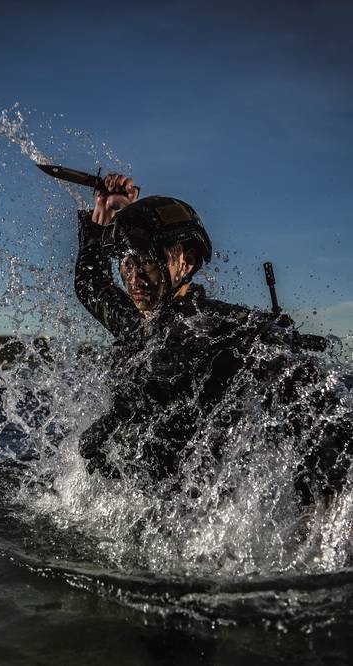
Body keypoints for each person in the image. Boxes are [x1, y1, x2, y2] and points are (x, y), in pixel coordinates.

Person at [74, 173, 352, 502]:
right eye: (127, 263)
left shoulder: (217, 328)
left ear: (186, 262)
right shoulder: (134, 322)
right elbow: (90, 284)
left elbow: (309, 394)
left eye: (146, 262)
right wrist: (105, 215)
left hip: (190, 516)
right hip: (127, 503)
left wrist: (325, 501)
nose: (134, 277)